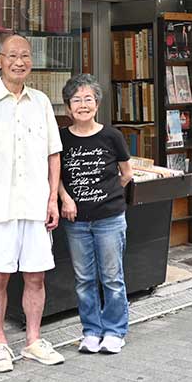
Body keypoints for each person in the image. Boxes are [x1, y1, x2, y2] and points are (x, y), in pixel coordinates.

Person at [0, 33, 65, 373]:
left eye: (25, 55)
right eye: (13, 55)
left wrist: (53, 198)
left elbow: (54, 154)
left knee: (36, 277)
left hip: (35, 206)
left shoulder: (42, 103)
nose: (20, 61)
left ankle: (33, 340)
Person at [58, 73, 133, 355]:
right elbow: (57, 176)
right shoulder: (62, 138)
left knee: (112, 276)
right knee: (84, 278)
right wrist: (66, 199)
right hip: (76, 220)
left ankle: (115, 331)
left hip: (109, 218)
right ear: (68, 108)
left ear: (97, 103)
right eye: (76, 100)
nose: (83, 105)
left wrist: (108, 196)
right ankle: (91, 331)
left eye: (88, 99)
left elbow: (126, 174)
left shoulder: (112, 136)